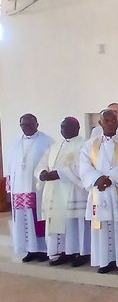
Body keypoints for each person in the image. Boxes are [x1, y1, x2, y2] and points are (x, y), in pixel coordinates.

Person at [80, 109, 118, 274]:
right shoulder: (90, 144)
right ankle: (106, 260)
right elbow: (84, 166)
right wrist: (97, 179)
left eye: (113, 121)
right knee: (103, 227)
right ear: (100, 123)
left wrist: (111, 178)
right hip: (99, 191)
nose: (110, 124)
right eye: (106, 121)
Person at [35, 117, 90, 267]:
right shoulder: (54, 146)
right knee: (59, 222)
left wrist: (60, 174)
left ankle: (81, 253)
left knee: (75, 224)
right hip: (54, 191)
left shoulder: (84, 144)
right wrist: (42, 173)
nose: (64, 130)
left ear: (77, 128)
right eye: (62, 127)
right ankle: (62, 252)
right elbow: (42, 163)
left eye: (67, 127)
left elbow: (83, 167)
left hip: (74, 191)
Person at [6, 114, 53, 262]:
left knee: (38, 219)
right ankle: (30, 250)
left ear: (37, 124)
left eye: (30, 124)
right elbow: (9, 166)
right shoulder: (15, 143)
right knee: (24, 220)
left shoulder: (47, 141)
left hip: (37, 189)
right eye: (23, 125)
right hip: (19, 189)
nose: (26, 127)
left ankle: (43, 249)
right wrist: (9, 189)